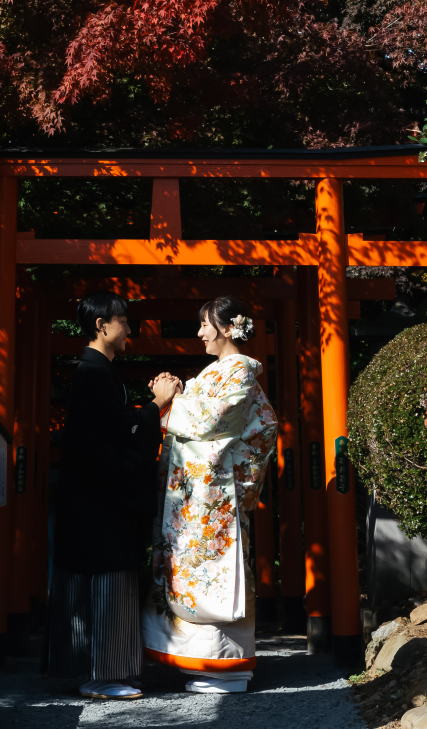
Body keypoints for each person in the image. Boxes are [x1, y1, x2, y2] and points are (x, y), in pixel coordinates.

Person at [48, 290, 182, 700]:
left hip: (91, 497)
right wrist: (157, 404)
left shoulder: (95, 372)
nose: (129, 327)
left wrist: (144, 411)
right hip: (100, 501)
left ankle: (83, 668)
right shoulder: (94, 373)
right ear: (101, 326)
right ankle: (102, 674)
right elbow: (121, 433)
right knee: (107, 581)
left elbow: (116, 428)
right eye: (122, 319)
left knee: (87, 582)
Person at [141, 296, 277, 694]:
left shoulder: (239, 371)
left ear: (228, 328)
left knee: (217, 571)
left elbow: (218, 420)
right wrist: (177, 396)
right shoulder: (213, 373)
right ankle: (198, 661)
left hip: (215, 495)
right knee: (191, 572)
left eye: (205, 325)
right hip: (197, 496)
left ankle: (226, 666)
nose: (200, 333)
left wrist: (171, 403)